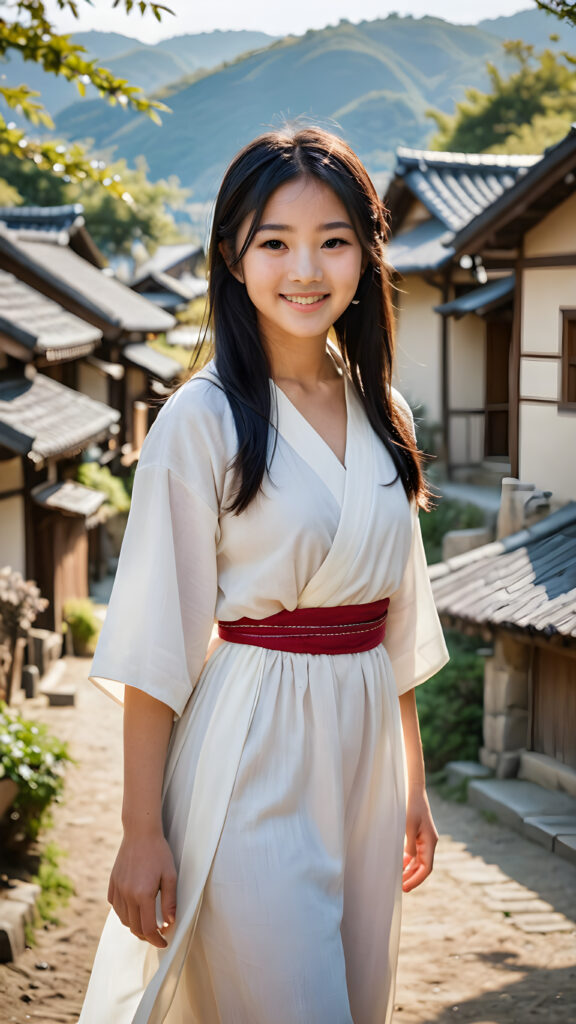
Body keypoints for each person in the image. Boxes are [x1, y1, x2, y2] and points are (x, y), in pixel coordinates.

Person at [79, 126, 449, 1024]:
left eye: (333, 240)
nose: (306, 269)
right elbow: (157, 641)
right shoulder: (198, 421)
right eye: (274, 242)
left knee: (358, 1001)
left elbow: (396, 616)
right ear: (231, 257)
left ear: (367, 252)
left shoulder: (384, 410)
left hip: (363, 750)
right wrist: (139, 832)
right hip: (251, 740)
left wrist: (414, 783)